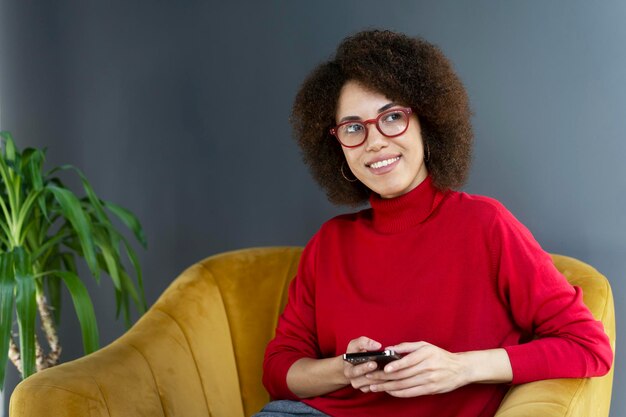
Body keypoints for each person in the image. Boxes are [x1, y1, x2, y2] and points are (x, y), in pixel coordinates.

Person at [254, 30, 613, 417]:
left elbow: (588, 347)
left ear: (427, 123)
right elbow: (279, 370)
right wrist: (345, 368)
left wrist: (461, 368)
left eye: (392, 117)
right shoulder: (330, 243)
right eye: (354, 127)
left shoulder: (485, 225)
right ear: (337, 145)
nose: (374, 142)